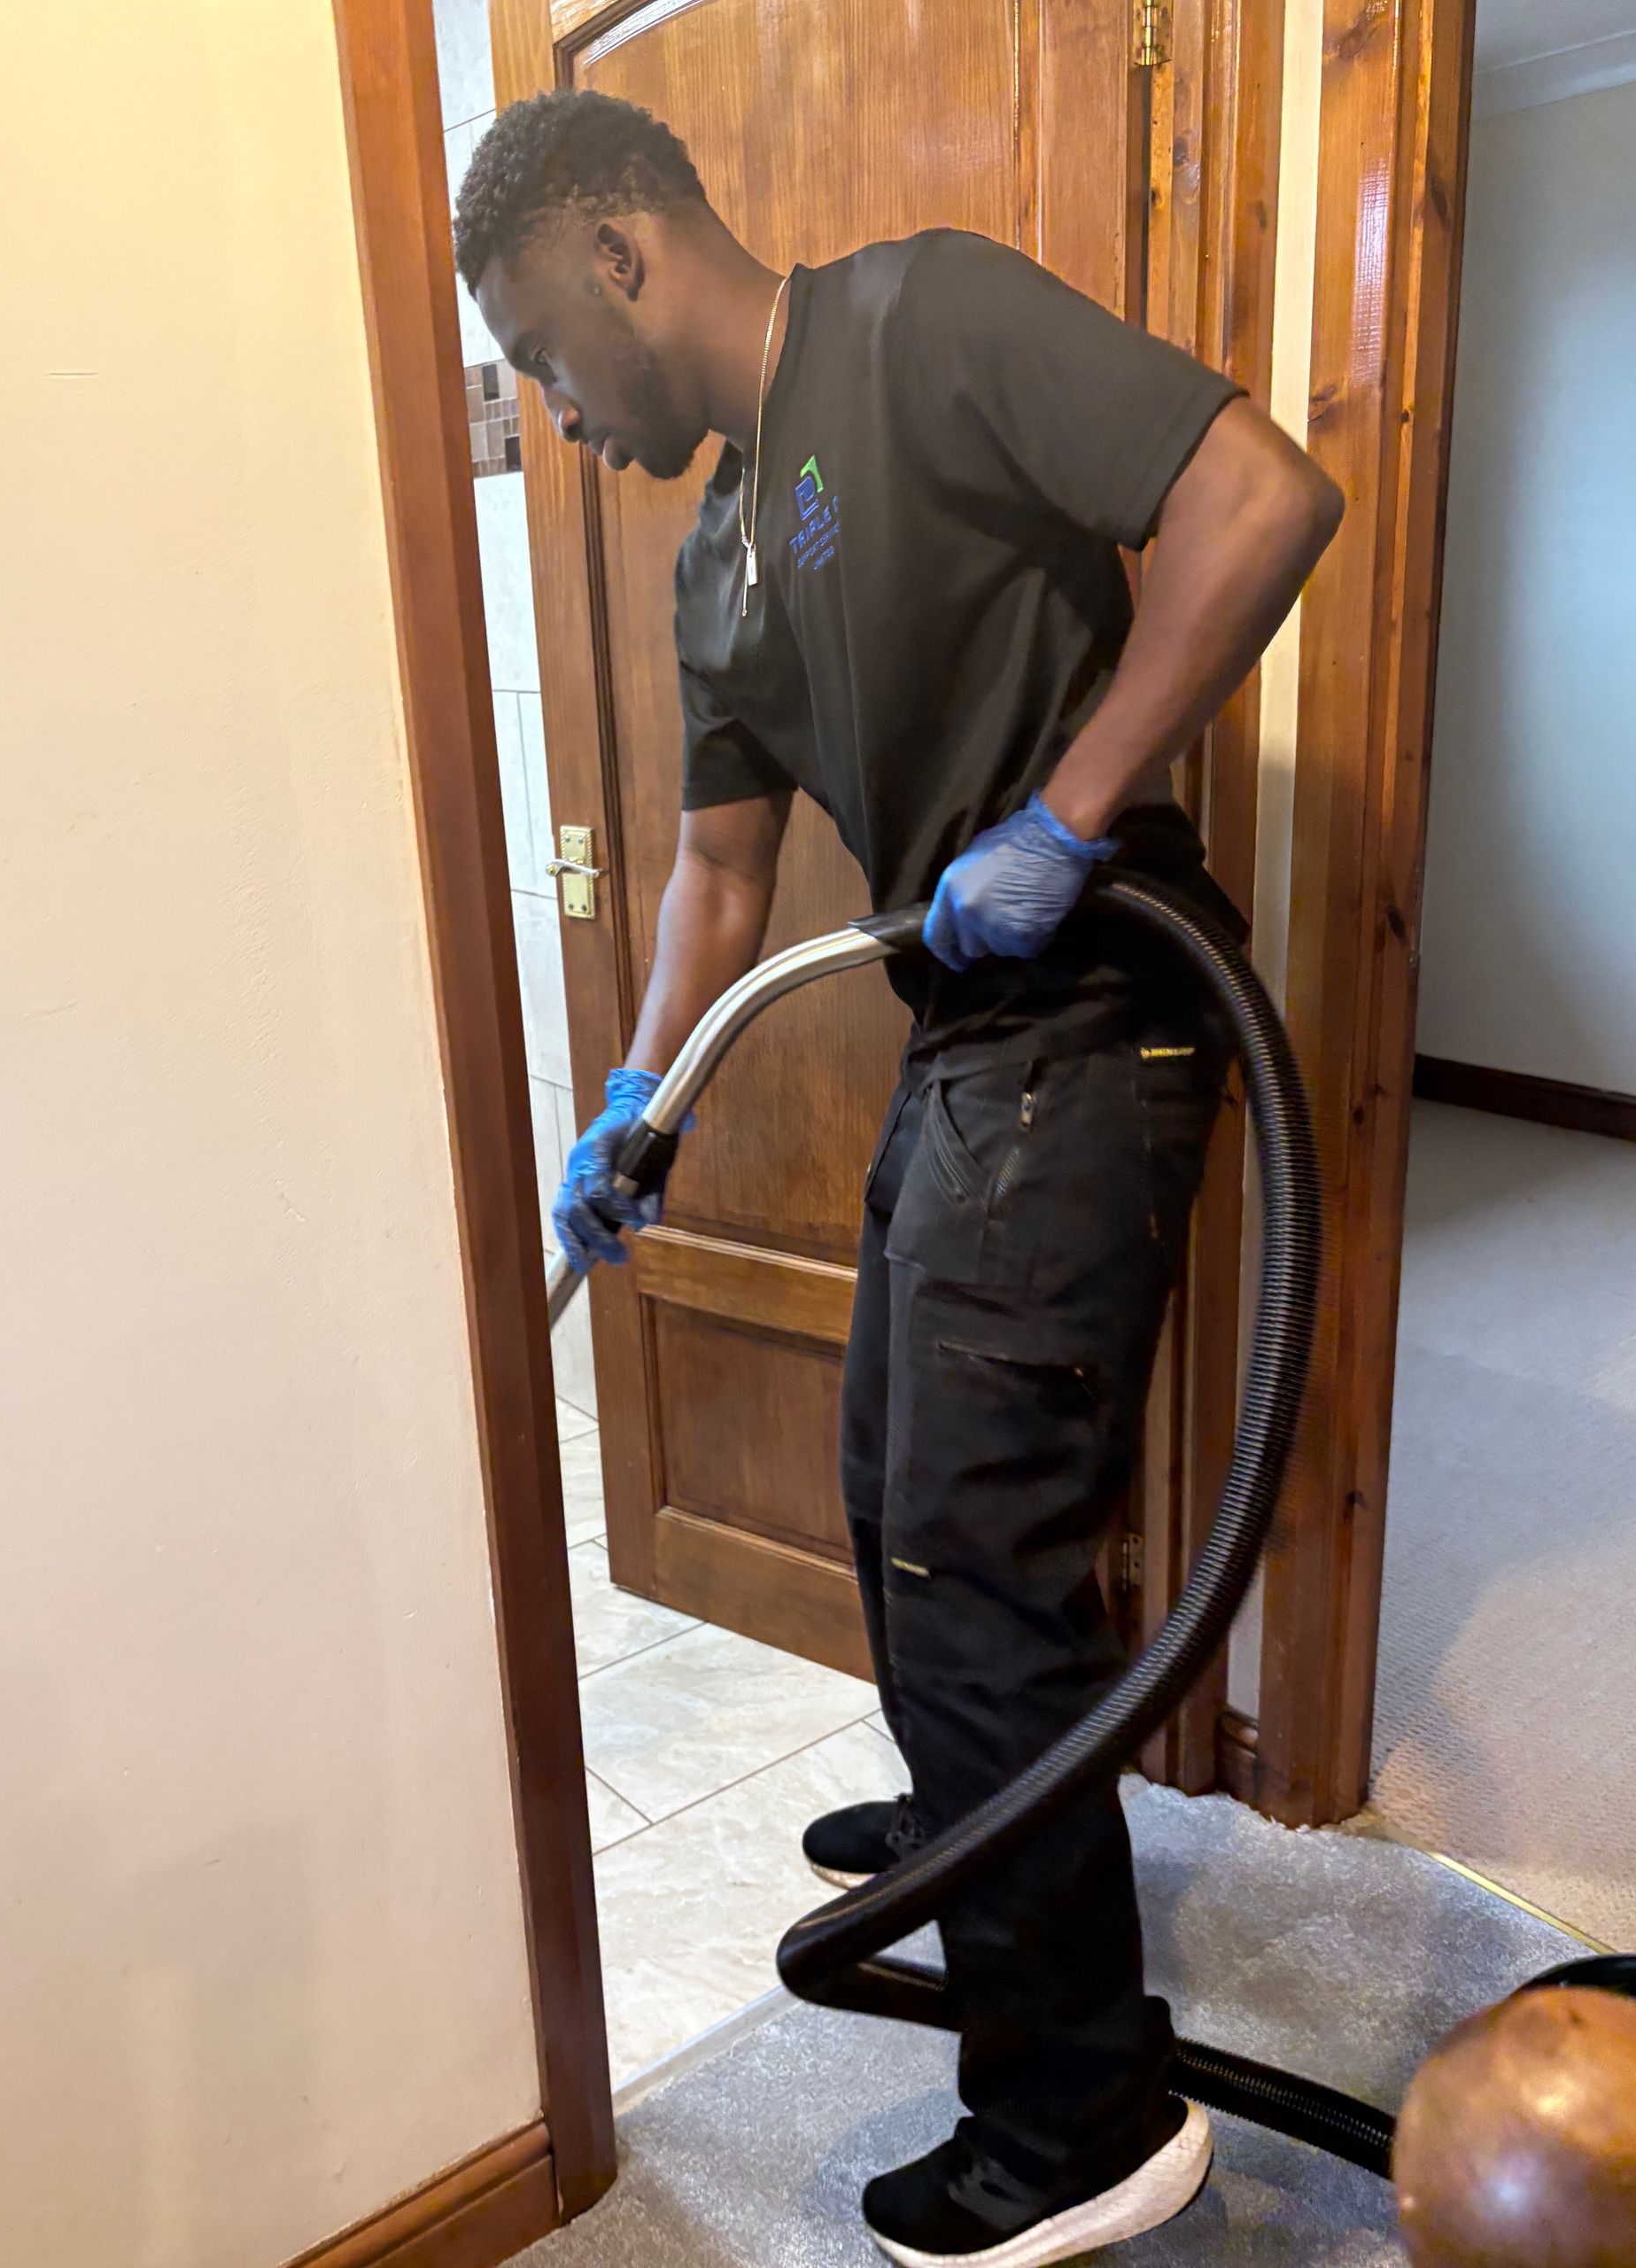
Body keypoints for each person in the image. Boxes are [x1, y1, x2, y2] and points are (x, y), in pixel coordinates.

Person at [454, 88, 1342, 2267]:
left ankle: (1084, 2117)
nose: (557, 415)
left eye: (545, 356)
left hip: (1107, 995)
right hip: (969, 1053)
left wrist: (1070, 805)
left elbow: (1262, 492)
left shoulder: (924, 317)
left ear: (620, 250)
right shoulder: (719, 550)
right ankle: (988, 1816)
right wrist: (639, 1090)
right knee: (894, 1490)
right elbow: (718, 861)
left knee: (970, 1536)